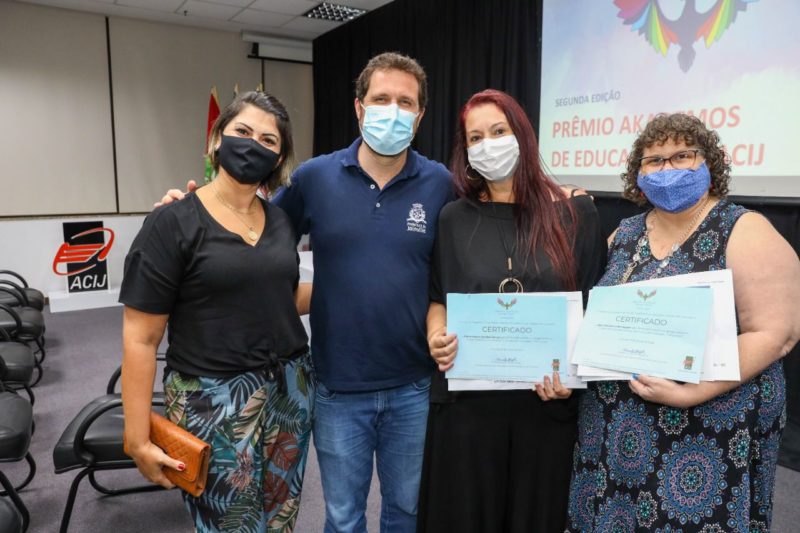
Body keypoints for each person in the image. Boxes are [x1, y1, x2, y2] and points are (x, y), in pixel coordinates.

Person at [158, 53, 453, 533]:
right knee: (343, 516)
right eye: (381, 99)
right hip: (337, 387)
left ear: (420, 116)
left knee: (406, 512)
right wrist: (194, 208)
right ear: (359, 107)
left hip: (414, 386)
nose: (393, 110)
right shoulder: (315, 178)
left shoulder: (440, 183)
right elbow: (250, 229)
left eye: (405, 102)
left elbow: (472, 244)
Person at [566, 113, 800, 532]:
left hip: (707, 430)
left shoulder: (743, 229)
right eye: (654, 160)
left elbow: (777, 333)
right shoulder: (624, 233)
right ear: (639, 175)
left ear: (709, 164)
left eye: (682, 156)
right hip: (618, 431)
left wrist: (693, 390)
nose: (667, 168)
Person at [121, 91, 315, 533]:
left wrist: (346, 289)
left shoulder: (280, 222)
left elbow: (282, 299)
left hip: (290, 392)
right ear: (216, 139)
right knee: (230, 523)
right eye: (242, 131)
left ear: (278, 158)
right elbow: (140, 337)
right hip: (213, 400)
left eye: (268, 140)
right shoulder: (172, 222)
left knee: (281, 518)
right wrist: (136, 437)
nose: (253, 145)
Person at [418, 89, 607, 532]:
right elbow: (439, 298)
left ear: (522, 134)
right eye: (476, 137)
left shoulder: (576, 213)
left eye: (499, 131)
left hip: (546, 407)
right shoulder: (453, 218)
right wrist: (435, 337)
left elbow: (593, 305)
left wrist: (573, 379)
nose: (488, 144)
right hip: (469, 407)